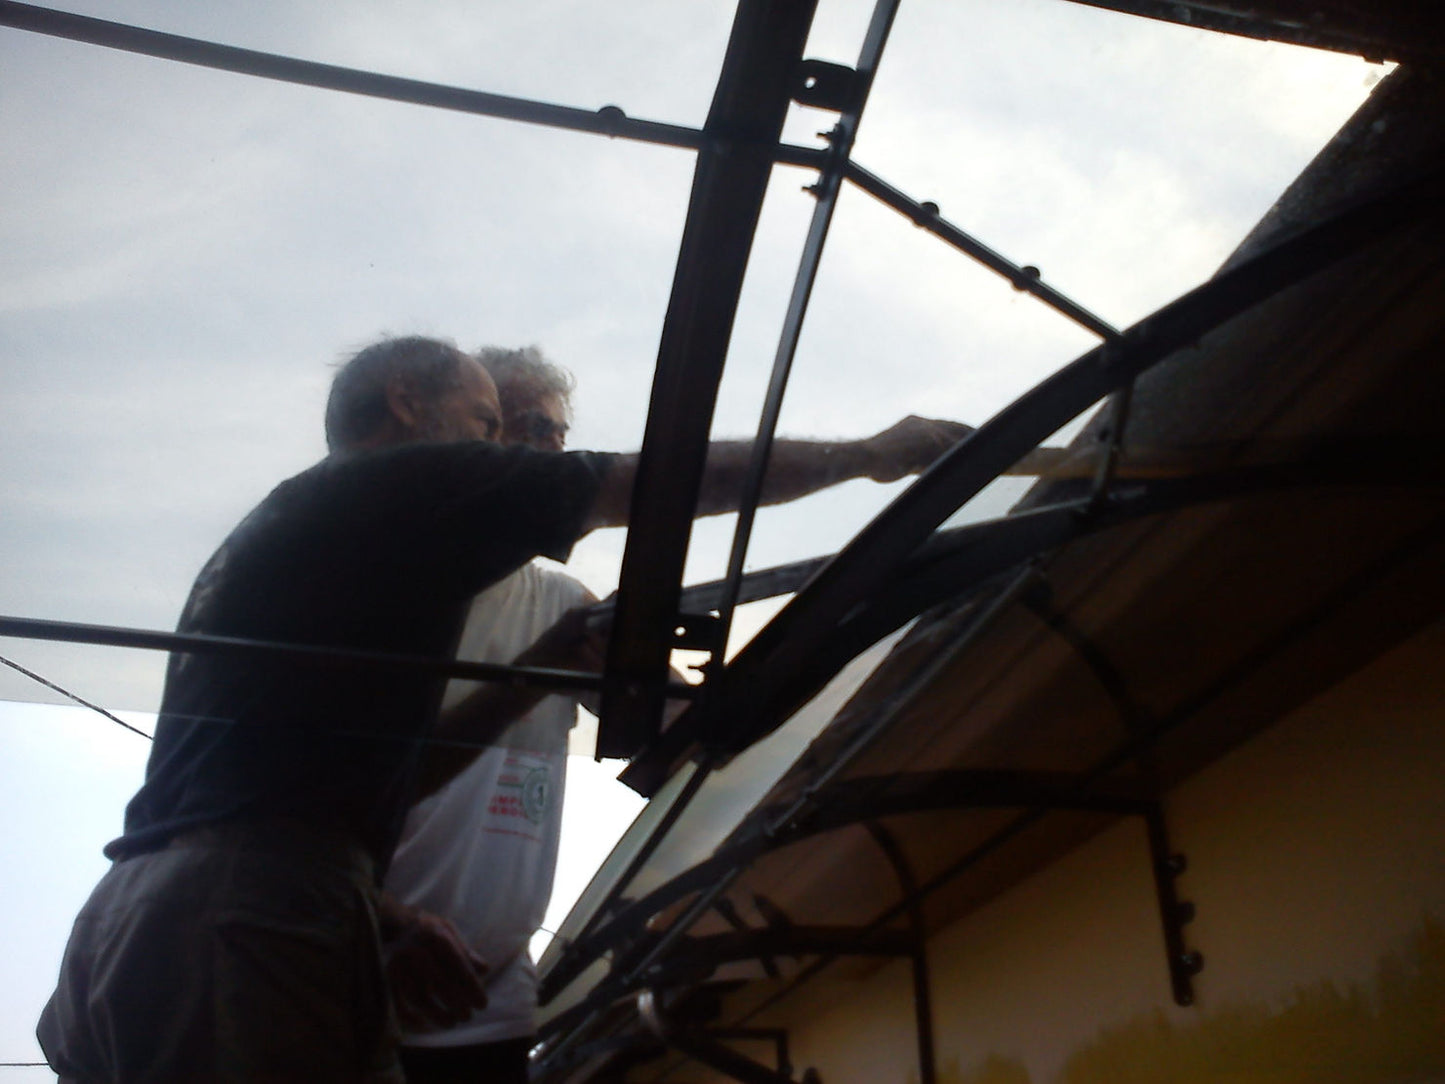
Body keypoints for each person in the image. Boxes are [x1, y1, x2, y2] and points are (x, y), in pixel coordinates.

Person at [36, 334, 969, 1082]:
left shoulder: (329, 554)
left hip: (176, 914)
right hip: (245, 921)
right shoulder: (400, 486)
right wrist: (868, 456)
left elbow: (384, 775)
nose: (505, 451)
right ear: (407, 401)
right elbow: (653, 485)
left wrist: (545, 666)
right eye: (490, 423)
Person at [381, 346, 603, 1084]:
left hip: (489, 999)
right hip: (346, 980)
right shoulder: (378, 589)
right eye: (526, 429)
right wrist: (380, 921)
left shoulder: (563, 603)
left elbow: (684, 725)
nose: (550, 455)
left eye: (557, 436)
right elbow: (273, 811)